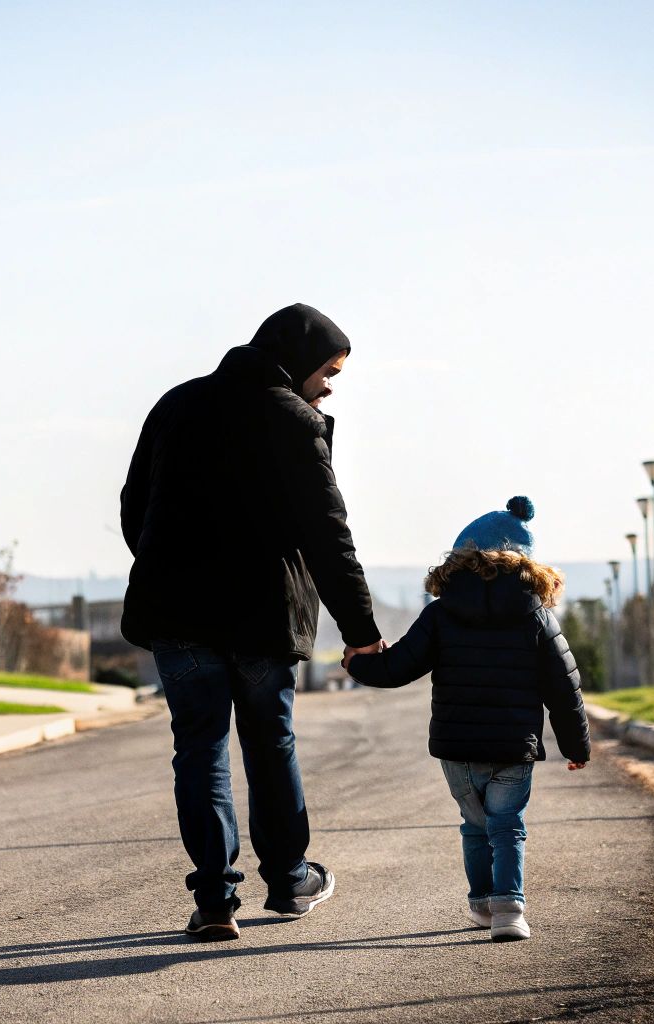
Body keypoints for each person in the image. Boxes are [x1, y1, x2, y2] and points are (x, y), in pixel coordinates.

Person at [120, 303, 385, 941]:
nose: (331, 383)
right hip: (264, 614)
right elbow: (329, 535)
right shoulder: (295, 421)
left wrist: (172, 566)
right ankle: (290, 880)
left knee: (200, 749)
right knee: (270, 745)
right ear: (297, 362)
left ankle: (214, 898)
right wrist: (361, 630)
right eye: (329, 370)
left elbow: (135, 508)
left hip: (178, 614)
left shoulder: (176, 404)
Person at [344, 496, 590, 942]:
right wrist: (576, 748)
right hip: (514, 747)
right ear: (525, 564)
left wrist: (356, 663)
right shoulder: (535, 615)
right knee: (507, 824)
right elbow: (564, 686)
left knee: (476, 825)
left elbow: (400, 666)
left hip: (457, 748)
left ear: (459, 560)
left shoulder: (441, 613)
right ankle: (509, 909)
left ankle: (481, 903)